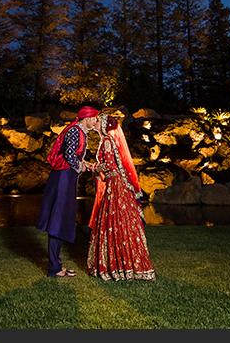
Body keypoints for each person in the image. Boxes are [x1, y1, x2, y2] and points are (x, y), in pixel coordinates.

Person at [86, 109, 155, 281]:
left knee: (113, 221)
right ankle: (128, 265)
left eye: (98, 121)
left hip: (115, 186)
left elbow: (109, 166)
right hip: (117, 184)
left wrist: (92, 167)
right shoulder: (108, 140)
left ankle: (116, 267)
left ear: (103, 125)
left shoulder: (107, 141)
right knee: (121, 221)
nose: (95, 123)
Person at [36, 106, 100, 278]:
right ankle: (53, 268)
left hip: (67, 177)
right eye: (94, 118)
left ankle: (55, 265)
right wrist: (81, 166)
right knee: (57, 220)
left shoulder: (78, 131)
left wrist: (84, 164)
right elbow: (69, 156)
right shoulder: (74, 131)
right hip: (63, 179)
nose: (96, 121)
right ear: (86, 118)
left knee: (61, 219)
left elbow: (74, 156)